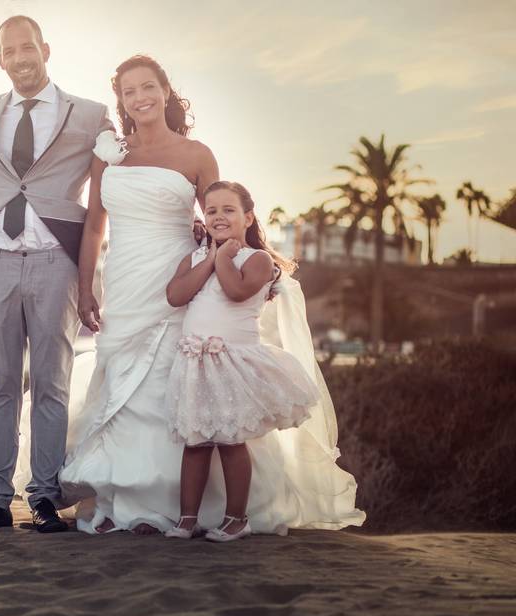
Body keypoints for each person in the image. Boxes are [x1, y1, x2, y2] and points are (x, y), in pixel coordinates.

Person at [54, 55, 364, 536]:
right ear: (122, 100)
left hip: (180, 275)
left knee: (173, 383)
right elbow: (94, 223)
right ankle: (127, 497)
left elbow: (223, 219)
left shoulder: (196, 154)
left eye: (149, 86)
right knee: (121, 378)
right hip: (124, 280)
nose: (140, 98)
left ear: (165, 90)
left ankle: (190, 506)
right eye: (130, 91)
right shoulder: (109, 153)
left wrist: (250, 267)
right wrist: (86, 282)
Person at [0, 15, 113, 537]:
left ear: (45, 50)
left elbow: (121, 176)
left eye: (28, 47)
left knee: (52, 384)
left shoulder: (91, 115)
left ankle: (46, 497)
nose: (21, 57)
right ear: (0, 59)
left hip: (59, 263)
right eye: (11, 51)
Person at [163, 181, 320, 542]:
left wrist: (221, 258)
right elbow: (175, 295)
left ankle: (237, 518)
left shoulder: (258, 260)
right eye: (212, 210)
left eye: (228, 210)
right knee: (195, 441)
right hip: (195, 361)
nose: (218, 216)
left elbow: (235, 292)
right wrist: (209, 259)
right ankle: (187, 518)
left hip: (233, 362)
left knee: (231, 440)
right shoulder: (195, 258)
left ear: (248, 217)